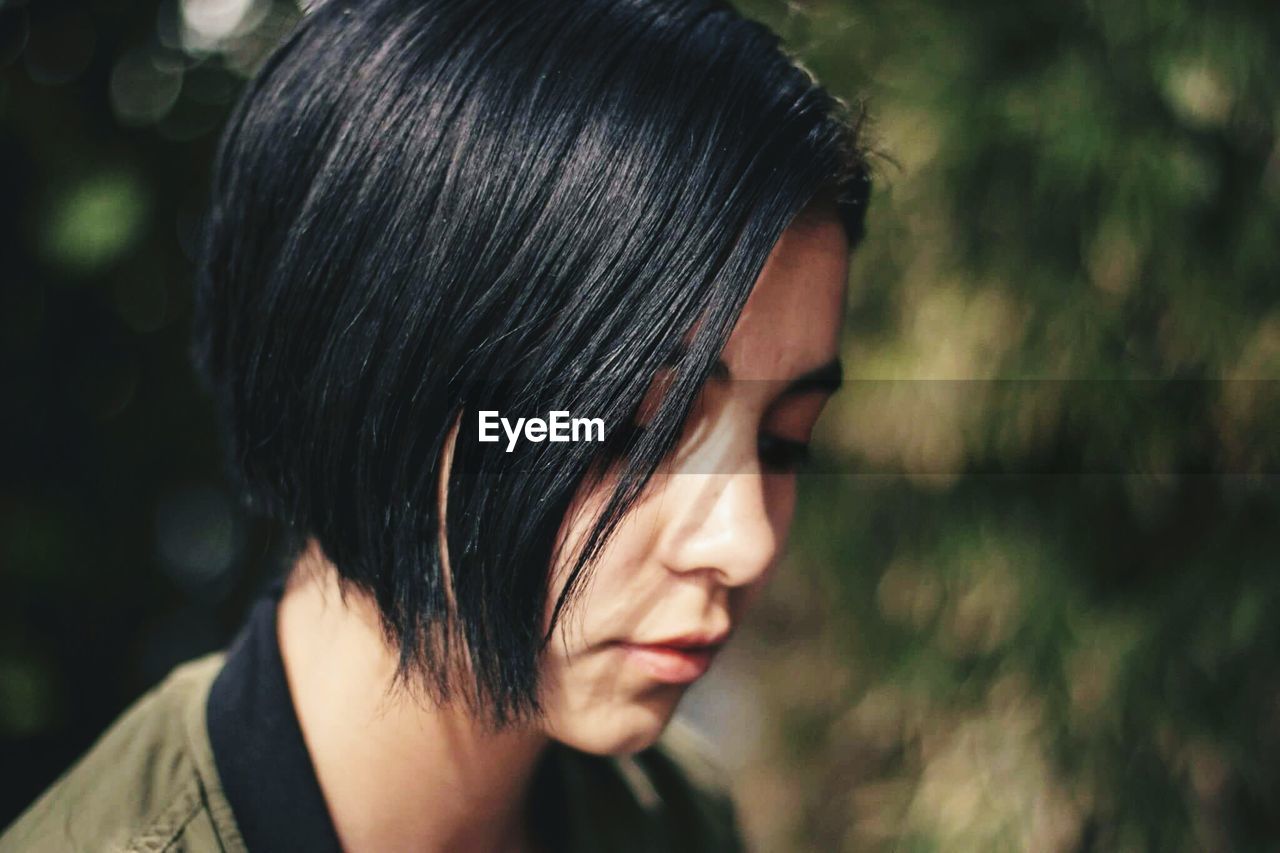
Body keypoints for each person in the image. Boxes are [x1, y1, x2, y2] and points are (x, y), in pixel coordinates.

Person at [1, 0, 870, 849]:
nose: (747, 540)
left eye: (783, 438)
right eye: (631, 429)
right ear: (373, 384)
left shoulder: (670, 810)